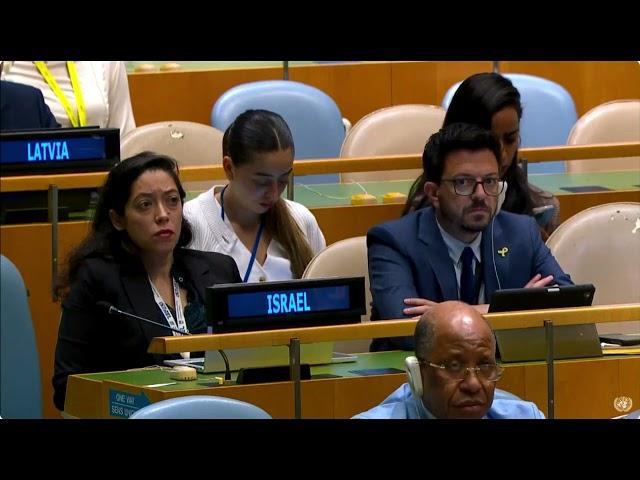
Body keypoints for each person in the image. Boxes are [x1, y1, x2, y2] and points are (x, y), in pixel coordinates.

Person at [52, 152, 241, 411]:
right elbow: (66, 387)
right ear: (118, 219)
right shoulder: (97, 280)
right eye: (145, 205)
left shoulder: (219, 270)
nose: (163, 214)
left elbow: (246, 364)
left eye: (172, 201)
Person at [368, 123, 572, 352]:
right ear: (433, 193)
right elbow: (407, 332)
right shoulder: (392, 241)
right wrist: (513, 310)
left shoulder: (521, 232)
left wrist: (443, 313)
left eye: (490, 181)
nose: (480, 195)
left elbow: (568, 303)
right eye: (463, 183)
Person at [402, 72, 560, 238]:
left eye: (510, 139)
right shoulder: (423, 211)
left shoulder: (542, 208)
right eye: (488, 141)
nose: (502, 155)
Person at [184, 109, 326, 282]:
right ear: (229, 168)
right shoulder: (191, 223)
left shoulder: (301, 220)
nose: (274, 194)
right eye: (262, 182)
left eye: (283, 179)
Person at [353, 301, 545, 419]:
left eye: (484, 366)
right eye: (454, 366)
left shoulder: (525, 416)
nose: (473, 385)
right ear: (417, 375)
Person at [1, 61, 135, 137]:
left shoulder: (106, 64)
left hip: (103, 178)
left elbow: (125, 140)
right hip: (32, 178)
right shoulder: (4, 68)